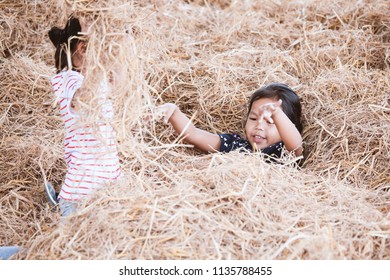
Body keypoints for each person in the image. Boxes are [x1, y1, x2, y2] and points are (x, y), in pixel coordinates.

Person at [45, 16, 121, 216]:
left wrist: (122, 46)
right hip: (81, 194)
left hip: (109, 186)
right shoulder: (68, 80)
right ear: (82, 48)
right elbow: (79, 100)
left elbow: (119, 89)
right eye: (100, 47)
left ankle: (57, 202)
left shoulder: (96, 79)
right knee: (63, 247)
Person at [157, 83, 303, 160]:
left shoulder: (285, 153)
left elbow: (296, 144)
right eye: (253, 118)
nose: (259, 125)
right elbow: (194, 134)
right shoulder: (235, 145)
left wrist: (276, 113)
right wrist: (174, 113)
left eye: (270, 121)